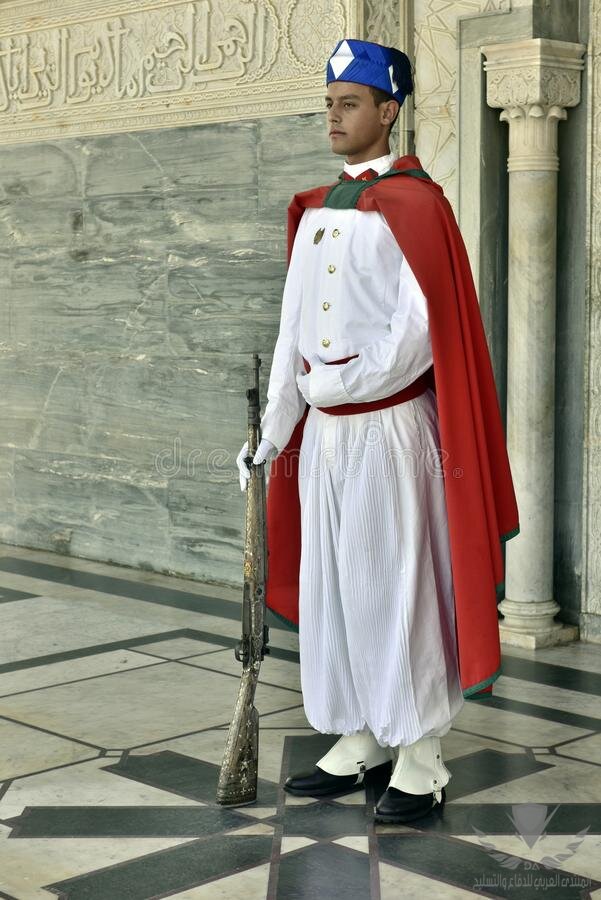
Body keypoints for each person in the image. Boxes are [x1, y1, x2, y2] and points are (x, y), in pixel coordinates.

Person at [236, 38, 518, 824]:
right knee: (335, 586)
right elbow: (292, 331)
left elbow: (419, 333)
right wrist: (269, 436)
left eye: (348, 103)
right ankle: (359, 733)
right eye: (328, 103)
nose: (333, 115)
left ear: (386, 112)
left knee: (399, 587)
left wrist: (340, 385)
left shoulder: (417, 205)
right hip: (322, 439)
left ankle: (421, 757)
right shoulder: (315, 210)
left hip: (392, 432)